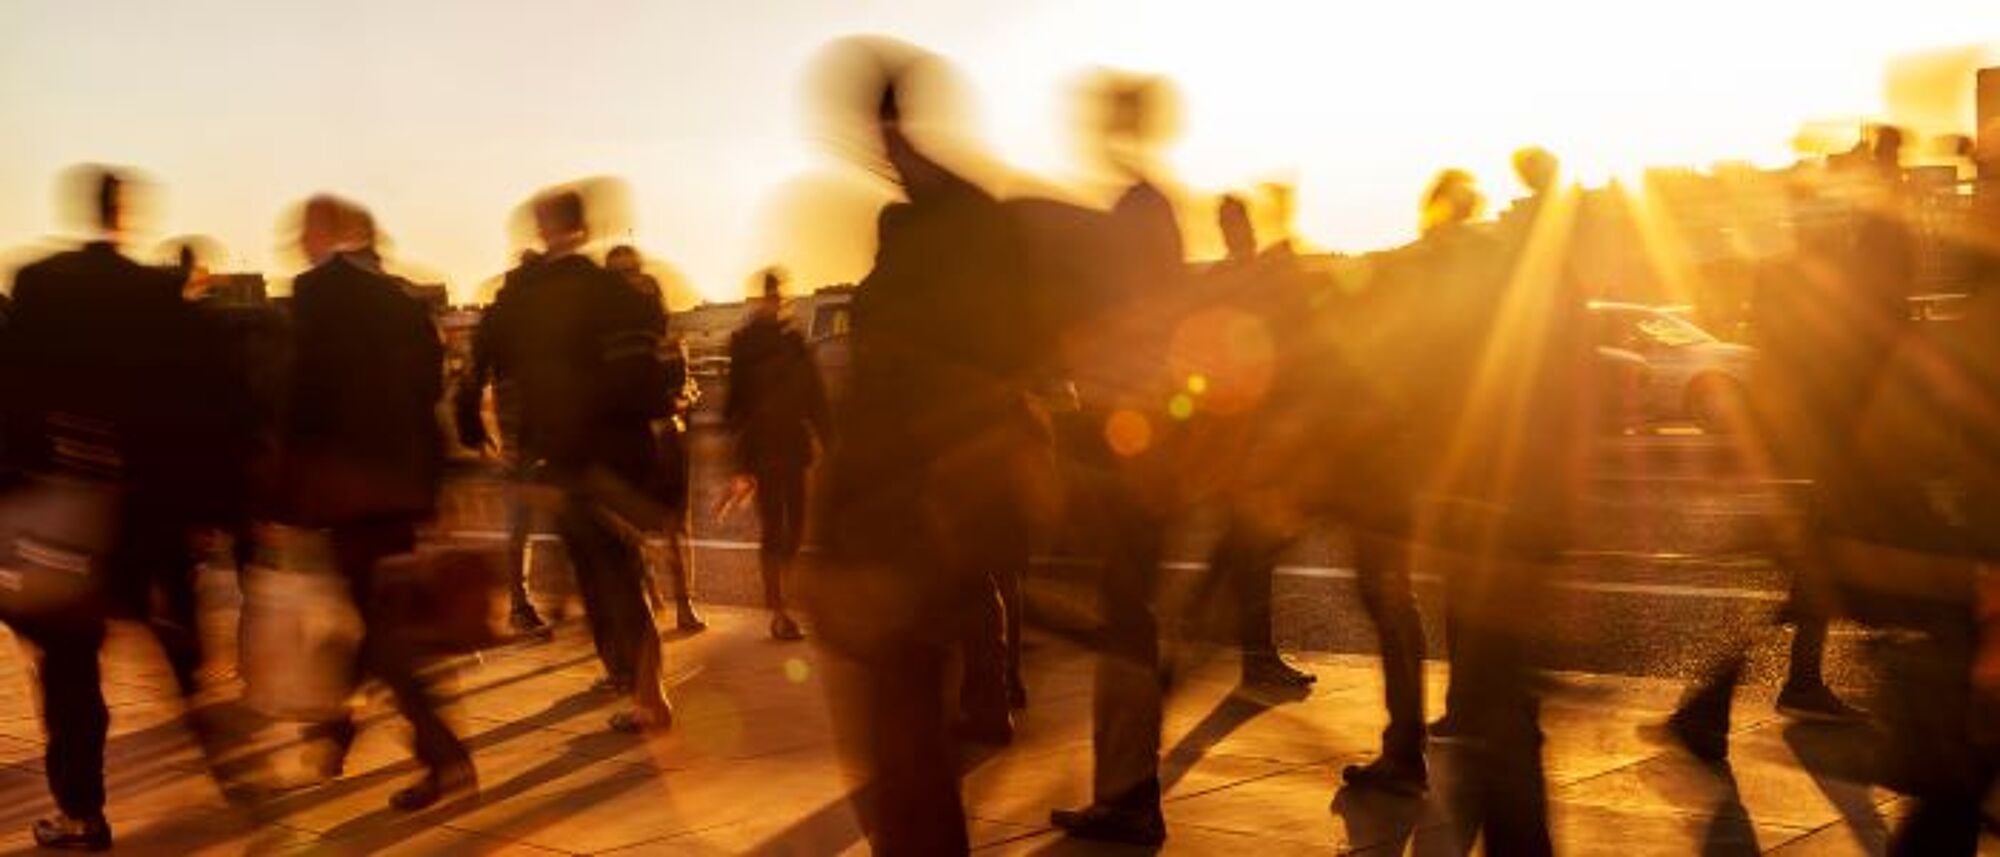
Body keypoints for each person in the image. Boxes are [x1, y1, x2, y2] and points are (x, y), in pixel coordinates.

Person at [0, 167, 251, 849]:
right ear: (128, 214)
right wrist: (212, 506)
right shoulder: (161, 299)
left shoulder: (42, 285)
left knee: (71, 671)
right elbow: (212, 406)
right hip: (151, 509)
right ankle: (219, 745)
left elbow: (13, 397)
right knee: (171, 640)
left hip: (65, 508)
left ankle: (83, 809)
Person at [1198, 193, 1431, 796]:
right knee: (1390, 600)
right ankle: (1406, 746)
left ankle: (1405, 752)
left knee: (1384, 597)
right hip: (1374, 472)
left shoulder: (1294, 323)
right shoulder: (1323, 317)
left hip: (1361, 475)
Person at [281, 195, 474, 810]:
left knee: (382, 627)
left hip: (349, 491)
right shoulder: (403, 302)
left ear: (326, 233)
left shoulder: (315, 294)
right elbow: (427, 394)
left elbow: (304, 402)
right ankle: (341, 729)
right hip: (404, 487)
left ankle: (440, 756)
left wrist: (288, 497)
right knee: (382, 618)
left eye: (305, 230)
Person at [462, 188, 674, 733]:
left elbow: (483, 355)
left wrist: (477, 421)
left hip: (569, 459)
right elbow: (649, 353)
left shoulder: (527, 295)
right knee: (614, 571)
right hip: (615, 456)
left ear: (547, 230)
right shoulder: (613, 292)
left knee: (605, 574)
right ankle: (640, 684)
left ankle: (646, 691)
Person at [724, 268, 831, 641]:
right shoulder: (745, 343)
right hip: (764, 450)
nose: (775, 302)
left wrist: (830, 439)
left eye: (779, 297)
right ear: (763, 300)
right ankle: (779, 610)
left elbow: (815, 396)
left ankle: (781, 598)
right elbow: (734, 404)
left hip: (792, 447)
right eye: (771, 296)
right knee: (774, 529)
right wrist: (738, 460)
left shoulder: (795, 342)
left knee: (795, 530)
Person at [606, 244, 705, 633]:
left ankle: (683, 603)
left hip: (665, 441)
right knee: (635, 529)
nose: (628, 280)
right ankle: (654, 597)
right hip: (634, 440)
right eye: (618, 273)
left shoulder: (665, 343)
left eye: (631, 270)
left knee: (674, 528)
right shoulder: (609, 345)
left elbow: (683, 390)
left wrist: (680, 399)